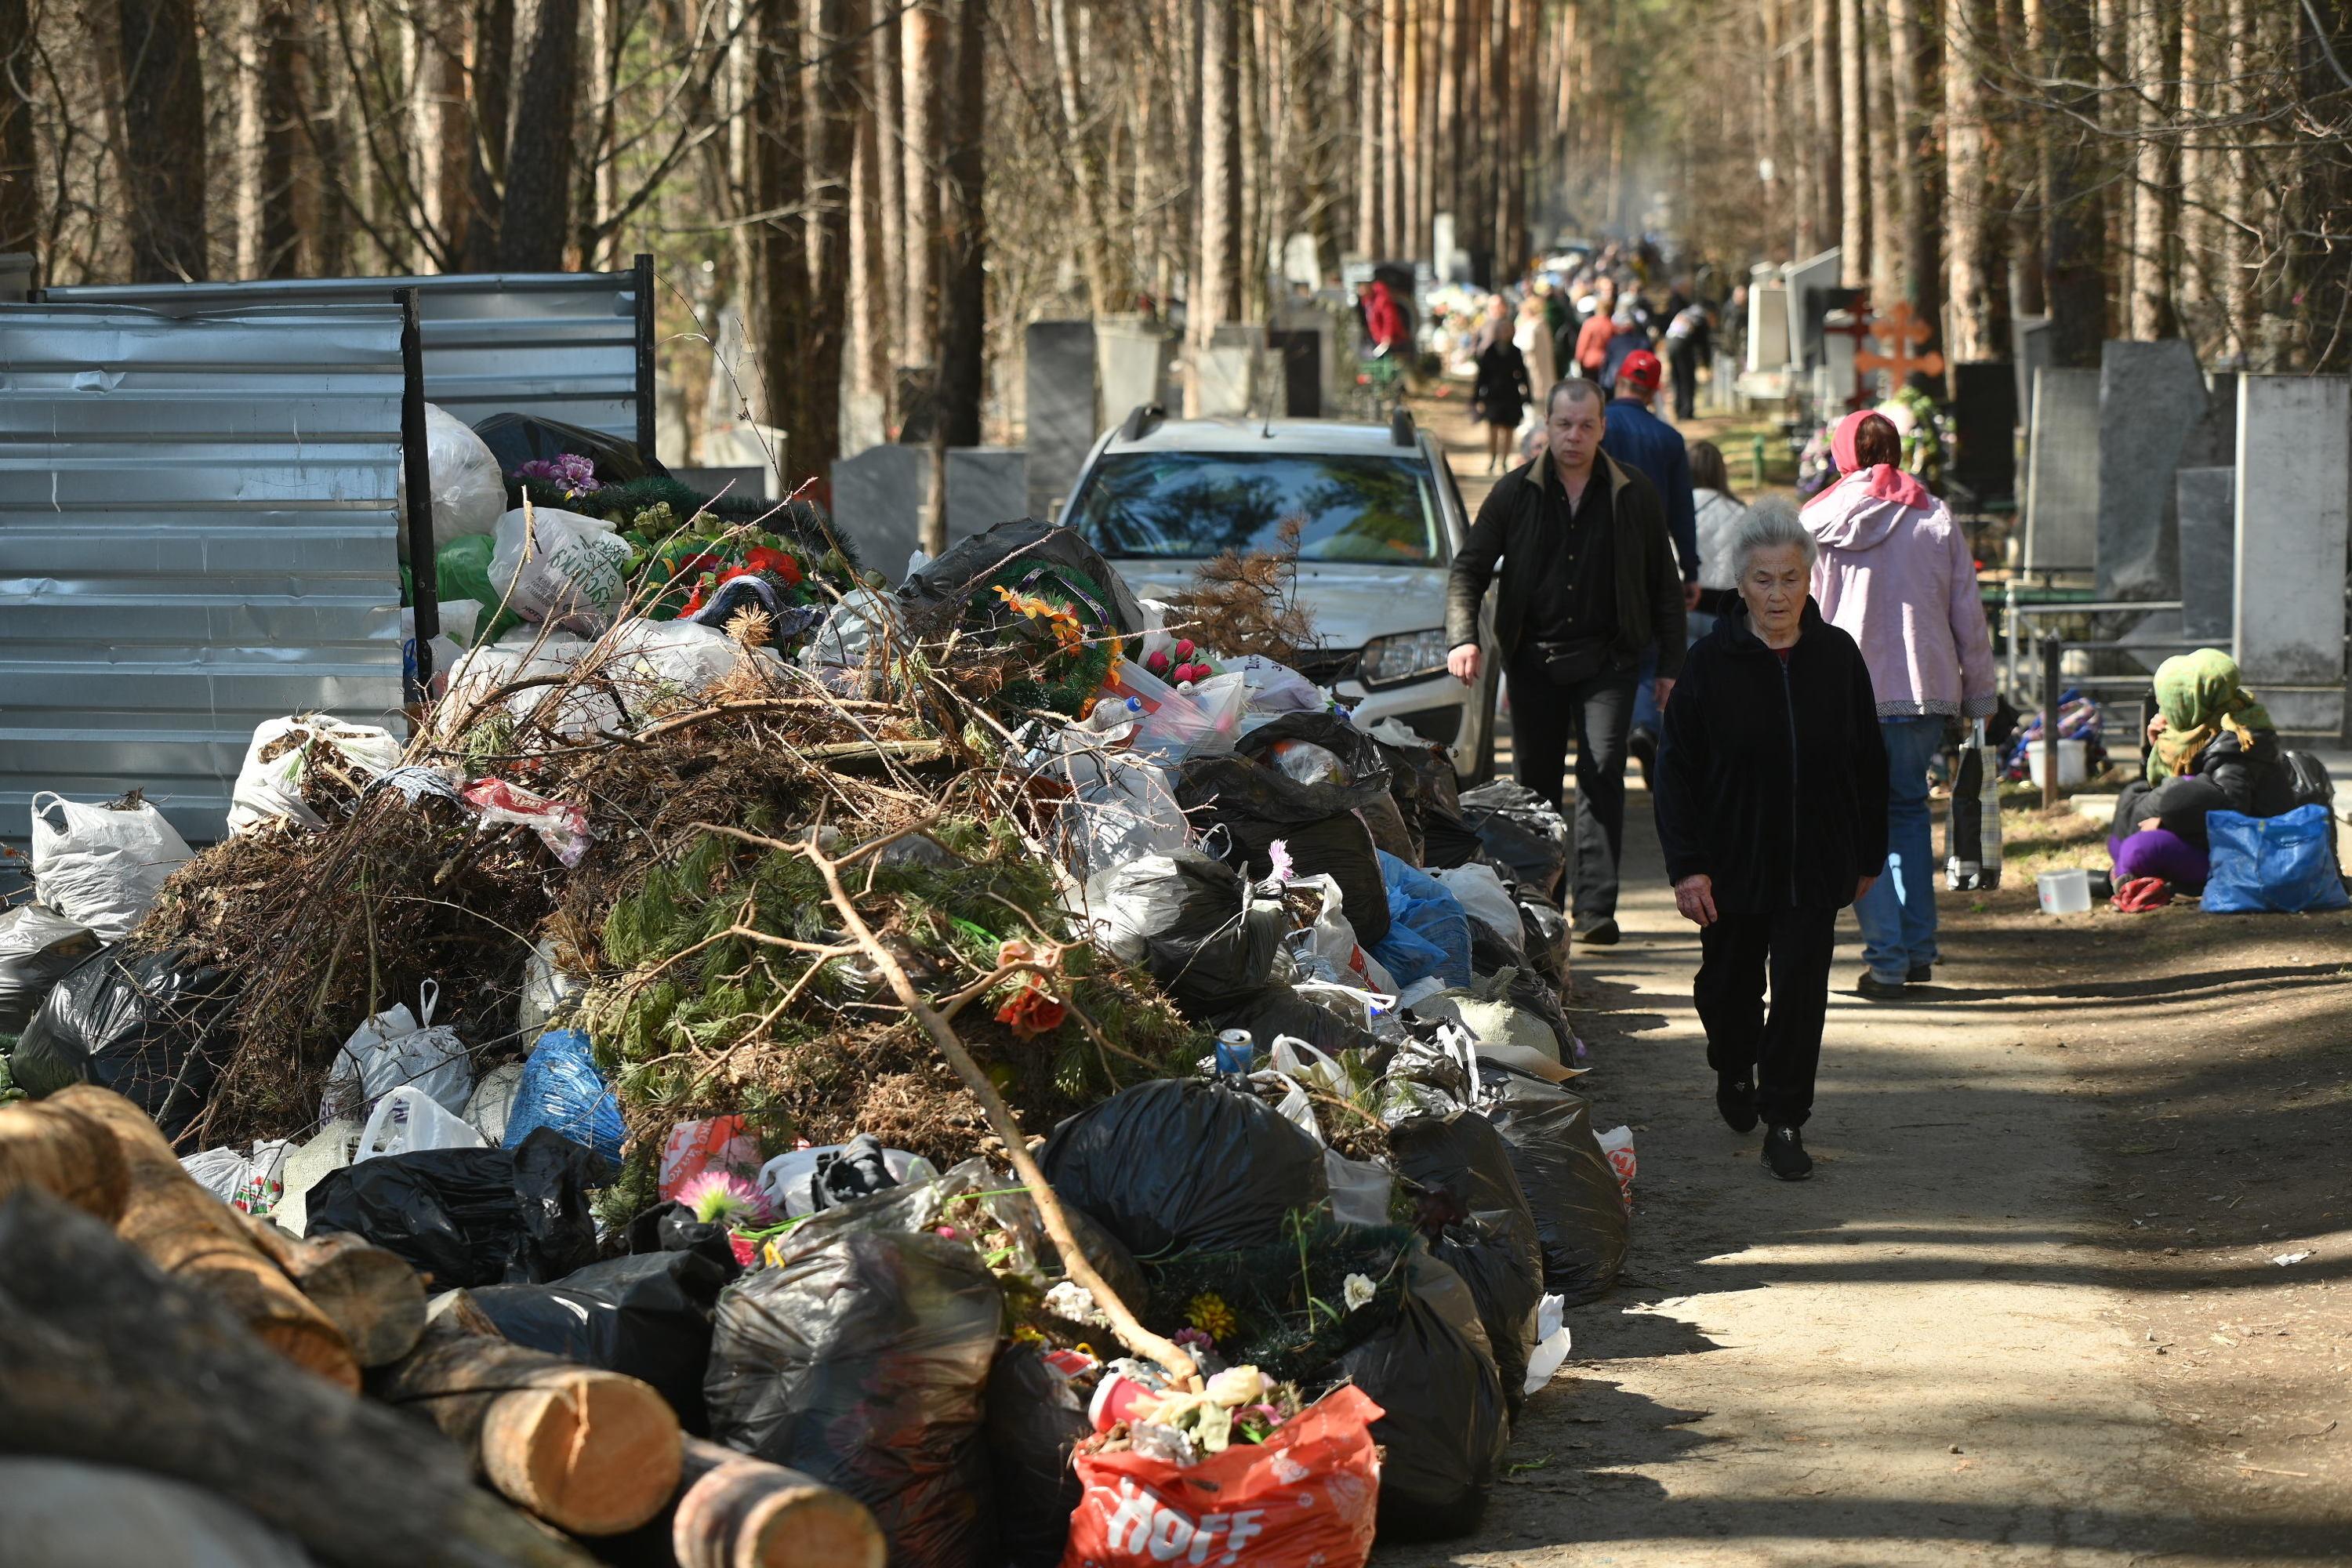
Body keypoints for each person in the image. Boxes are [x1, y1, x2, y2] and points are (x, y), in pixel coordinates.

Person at [1654, 497, 1889, 1181]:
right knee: (1727, 990)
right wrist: (1688, 867)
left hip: (1815, 863)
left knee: (1801, 993)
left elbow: (1869, 764)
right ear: (1740, 584)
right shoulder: (1708, 664)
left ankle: (1786, 1119)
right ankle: (1733, 1064)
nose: (1778, 593)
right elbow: (1675, 773)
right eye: (1763, 579)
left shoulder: (1838, 658)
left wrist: (1867, 851)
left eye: (1791, 577)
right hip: (1732, 863)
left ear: (1810, 579)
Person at [1446, 379, 1687, 945]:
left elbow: (1664, 586)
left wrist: (1672, 665)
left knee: (1603, 770)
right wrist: (1464, 637)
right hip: (1535, 659)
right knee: (1538, 786)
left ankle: (1598, 908)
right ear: (1546, 426)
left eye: (1585, 425)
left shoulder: (1635, 492)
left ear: (1603, 428)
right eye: (1563, 424)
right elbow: (1469, 569)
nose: (1574, 436)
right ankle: (1543, 907)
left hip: (1611, 659)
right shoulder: (1515, 492)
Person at [1802, 409, 1997, 999]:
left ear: (1842, 455)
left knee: (1858, 824)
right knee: (1909, 815)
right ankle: (1916, 950)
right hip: (1922, 688)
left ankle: (1886, 959)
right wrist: (1981, 693)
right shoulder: (1934, 517)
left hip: (1845, 694)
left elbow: (1802, 612)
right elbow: (1968, 610)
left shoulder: (1816, 520)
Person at [2111, 650, 2297, 889]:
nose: (2164, 709)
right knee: (2126, 819)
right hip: (2210, 841)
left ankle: (2123, 878)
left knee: (2141, 848)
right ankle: (2128, 877)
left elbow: (2230, 815)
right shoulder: (2203, 730)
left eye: (2169, 701)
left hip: (2252, 854)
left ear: (2190, 700)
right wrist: (2154, 749)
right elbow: (2166, 791)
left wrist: (2166, 823)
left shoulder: (2237, 744)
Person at [1602, 350, 1702, 774]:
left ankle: (1605, 735)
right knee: (1647, 649)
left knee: (1601, 644)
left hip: (1597, 551)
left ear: (1619, 381)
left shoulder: (1598, 425)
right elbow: (1682, 510)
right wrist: (1690, 570)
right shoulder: (1669, 439)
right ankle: (1643, 724)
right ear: (1653, 391)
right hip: (1650, 556)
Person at [1470, 298, 1533, 474]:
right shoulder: (1489, 351)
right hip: (1494, 395)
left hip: (1511, 395)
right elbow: (1482, 376)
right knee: (1494, 428)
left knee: (1508, 429)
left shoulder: (1515, 352)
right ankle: (1492, 458)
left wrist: (1527, 395)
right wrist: (1477, 397)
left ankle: (1504, 460)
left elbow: (1522, 375)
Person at [1663, 299, 1711, 420]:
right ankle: (1687, 412)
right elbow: (1704, 344)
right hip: (1682, 346)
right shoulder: (1700, 318)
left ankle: (1678, 408)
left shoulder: (1684, 313)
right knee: (1687, 379)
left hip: (1670, 345)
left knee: (1677, 378)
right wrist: (1706, 363)